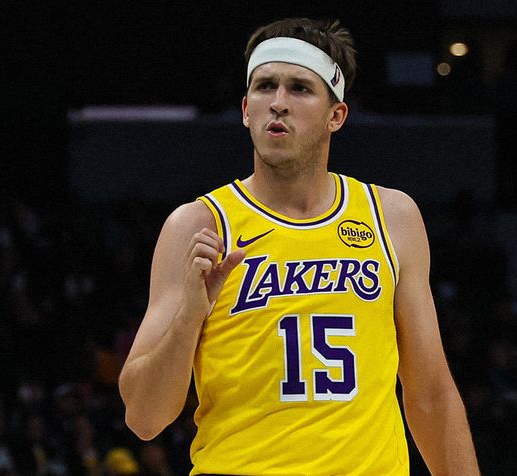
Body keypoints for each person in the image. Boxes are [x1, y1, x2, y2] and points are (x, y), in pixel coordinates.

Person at [119, 17, 479, 475]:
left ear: (336, 116)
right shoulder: (198, 225)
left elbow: (430, 395)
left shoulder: (391, 217)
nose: (278, 103)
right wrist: (190, 316)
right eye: (265, 86)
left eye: (300, 88)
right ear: (246, 109)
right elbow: (143, 418)